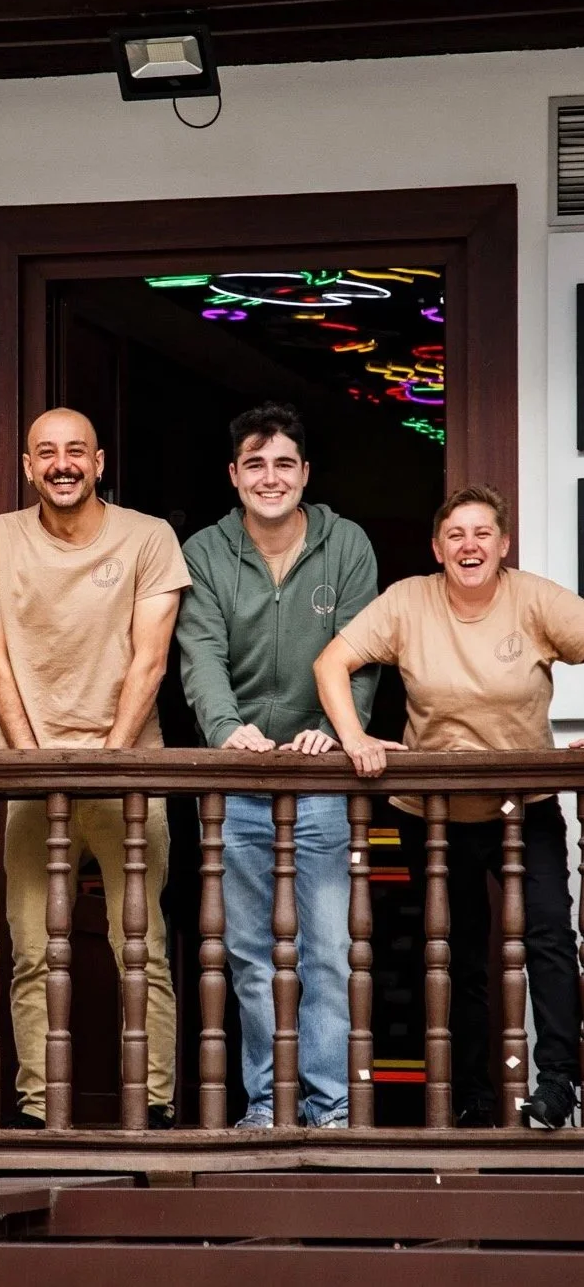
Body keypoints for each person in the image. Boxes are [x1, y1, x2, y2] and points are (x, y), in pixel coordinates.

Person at [315, 484, 584, 1129]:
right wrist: (354, 739)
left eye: (483, 533)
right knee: (458, 954)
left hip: (526, 806)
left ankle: (558, 1087)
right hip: (433, 816)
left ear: (504, 545)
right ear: (438, 548)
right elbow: (332, 663)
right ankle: (473, 1098)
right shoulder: (409, 601)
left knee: (548, 938)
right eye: (456, 535)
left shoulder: (535, 598)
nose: (470, 546)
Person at [0, 408, 189, 1129]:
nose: (61, 464)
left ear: (98, 461)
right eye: (45, 453)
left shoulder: (148, 535)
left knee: (141, 948)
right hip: (25, 771)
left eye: (75, 452)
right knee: (29, 949)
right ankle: (36, 1111)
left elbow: (149, 659)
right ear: (28, 466)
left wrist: (110, 758)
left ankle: (152, 1106)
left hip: (129, 771)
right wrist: (33, 764)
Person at [177, 402, 378, 1130]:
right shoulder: (203, 550)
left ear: (305, 474)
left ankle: (328, 1111)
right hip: (238, 780)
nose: (270, 477)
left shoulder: (346, 543)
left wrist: (333, 729)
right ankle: (267, 1105)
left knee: (326, 949)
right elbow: (197, 650)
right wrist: (227, 729)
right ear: (233, 475)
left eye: (283, 463)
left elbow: (362, 651)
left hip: (320, 780)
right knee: (249, 954)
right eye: (254, 463)